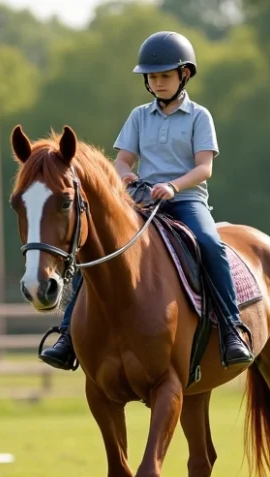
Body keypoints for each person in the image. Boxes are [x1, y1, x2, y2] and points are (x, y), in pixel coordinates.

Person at [38, 30, 253, 370]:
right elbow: (122, 160)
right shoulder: (139, 116)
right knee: (92, 249)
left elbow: (204, 168)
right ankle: (66, 336)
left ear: (184, 75)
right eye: (152, 77)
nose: (157, 83)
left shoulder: (200, 116)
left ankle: (231, 329)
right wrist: (127, 176)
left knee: (211, 244)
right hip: (141, 200)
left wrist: (172, 186)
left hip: (186, 201)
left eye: (165, 76)